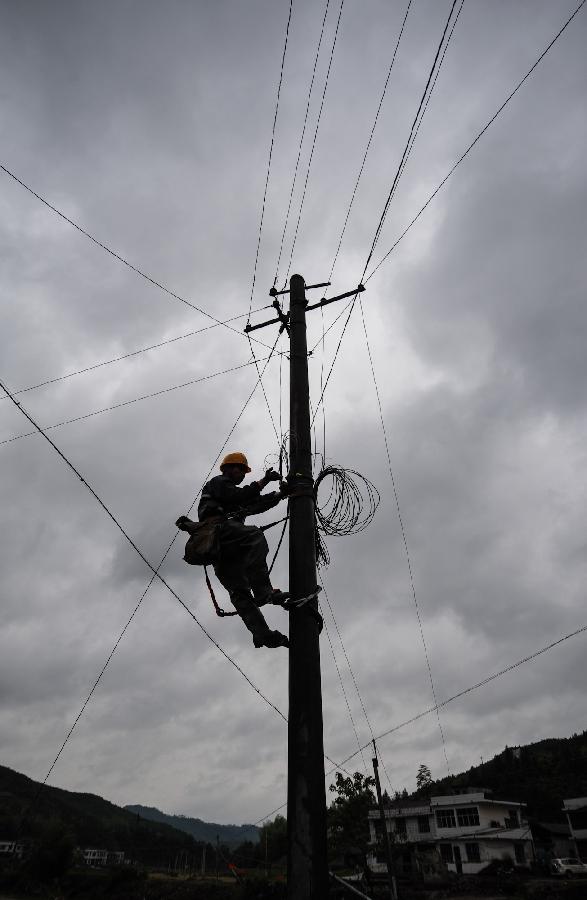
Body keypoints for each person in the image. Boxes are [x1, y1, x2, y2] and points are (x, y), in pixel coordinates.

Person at [178, 452, 290, 649]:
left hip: (224, 546)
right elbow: (240, 496)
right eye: (241, 469)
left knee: (239, 592)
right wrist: (264, 480)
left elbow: (253, 505)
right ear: (228, 468)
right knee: (254, 536)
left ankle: (263, 634)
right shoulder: (219, 483)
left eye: (245, 472)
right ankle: (264, 592)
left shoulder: (230, 497)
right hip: (218, 531)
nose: (243, 475)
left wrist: (280, 495)